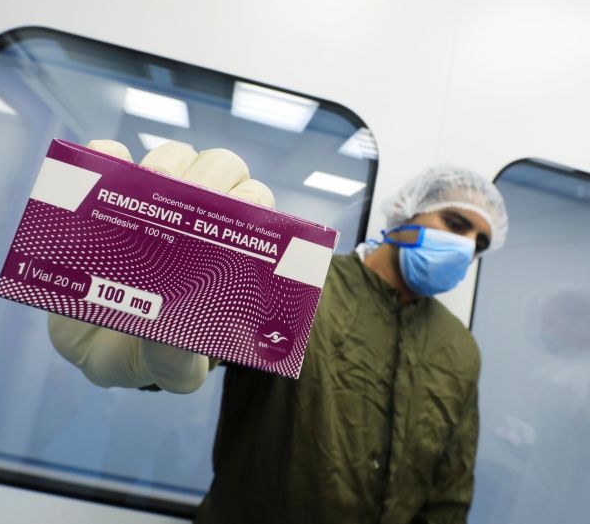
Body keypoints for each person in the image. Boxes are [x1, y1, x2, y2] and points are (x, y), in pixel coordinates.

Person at [48, 140, 509, 523]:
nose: (466, 246)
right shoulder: (301, 282)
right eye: (455, 223)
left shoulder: (459, 347)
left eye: (479, 243)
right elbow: (198, 349)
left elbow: (450, 489)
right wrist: (142, 339)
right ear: (407, 214)